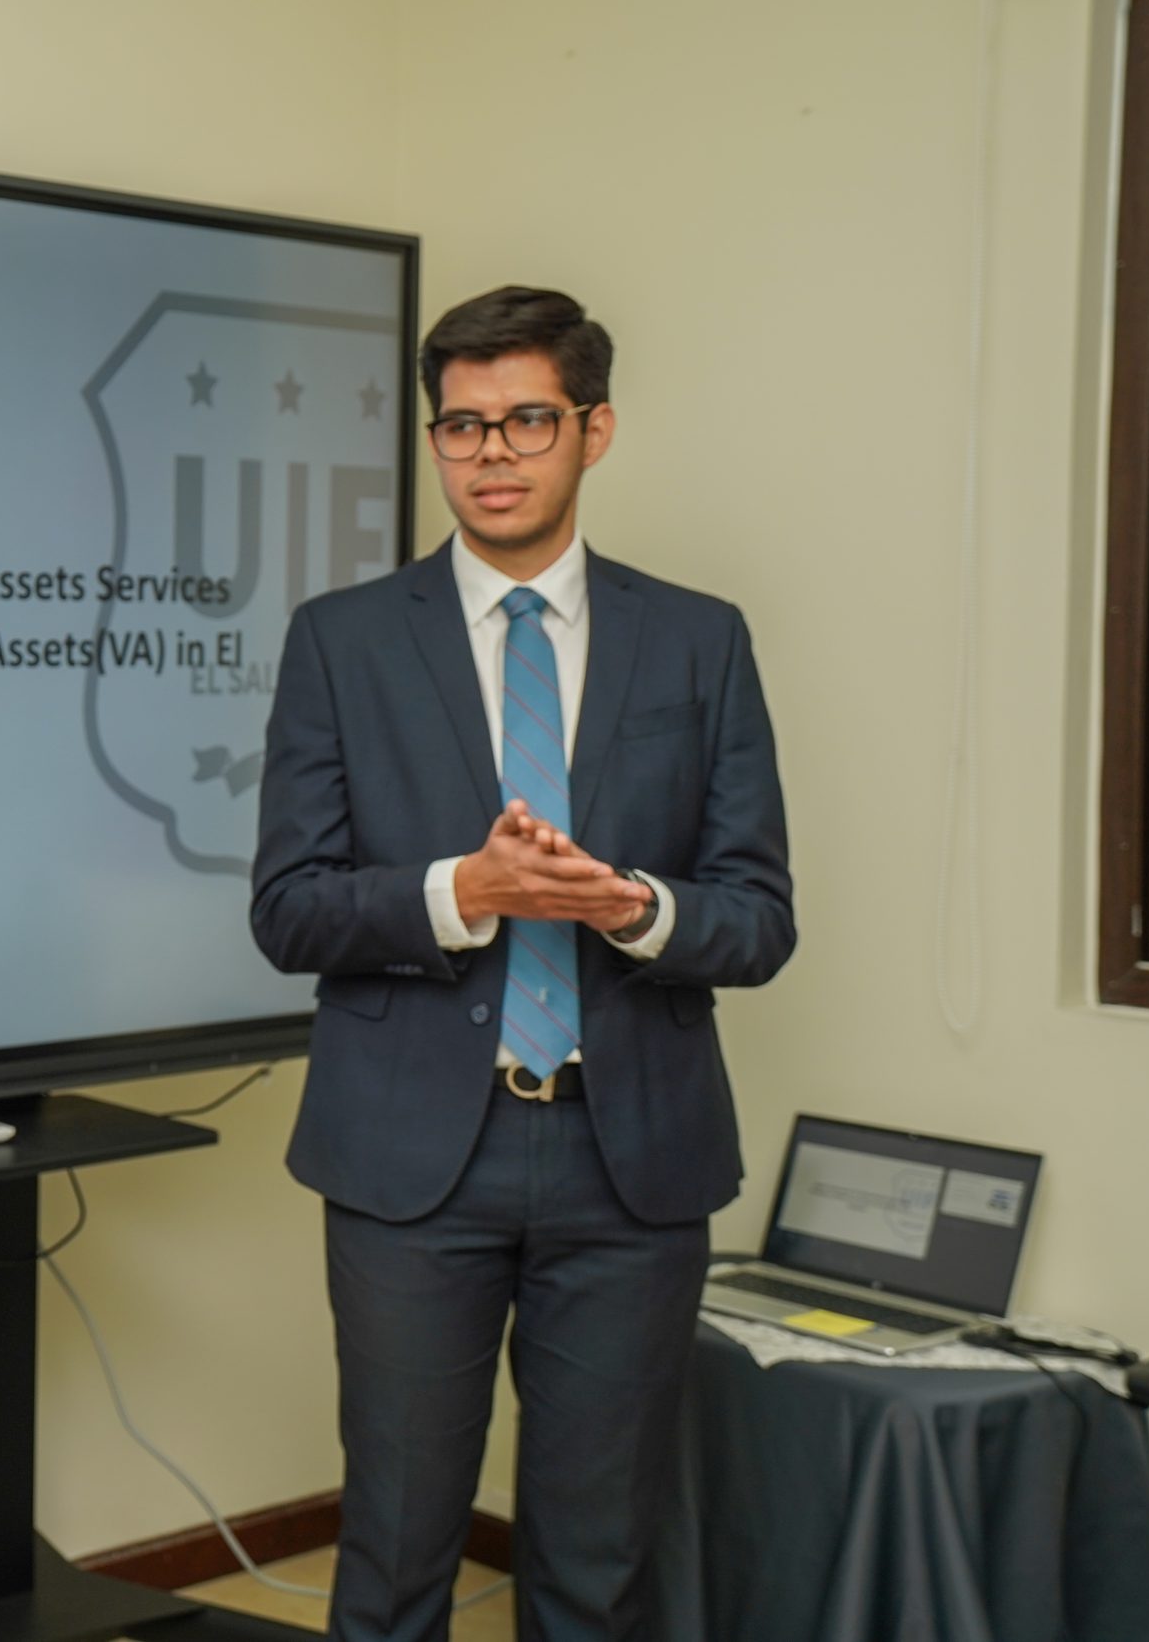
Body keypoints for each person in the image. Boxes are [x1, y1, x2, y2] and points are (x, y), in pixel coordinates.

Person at [249, 285, 794, 1641]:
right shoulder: (342, 641)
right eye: (463, 426)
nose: (491, 454)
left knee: (598, 1569)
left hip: (634, 1162)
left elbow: (758, 919)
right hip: (411, 1163)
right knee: (392, 1558)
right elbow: (289, 911)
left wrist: (633, 909)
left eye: (527, 421)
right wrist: (463, 892)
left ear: (593, 430)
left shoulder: (699, 639)